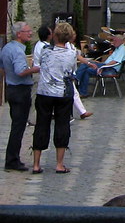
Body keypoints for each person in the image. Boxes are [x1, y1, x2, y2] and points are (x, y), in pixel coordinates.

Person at [32, 22, 78, 173]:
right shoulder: (72, 53)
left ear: (55, 36)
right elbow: (72, 71)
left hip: (45, 92)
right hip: (63, 93)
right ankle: (59, 164)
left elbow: (40, 63)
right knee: (62, 125)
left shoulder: (45, 50)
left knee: (41, 125)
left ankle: (36, 164)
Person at [2, 21, 39, 171]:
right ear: (19, 34)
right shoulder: (17, 51)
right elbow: (20, 71)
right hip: (20, 90)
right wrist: (35, 69)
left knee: (16, 125)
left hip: (11, 88)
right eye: (27, 31)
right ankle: (12, 160)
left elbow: (2, 68)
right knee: (18, 127)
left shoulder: (6, 48)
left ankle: (13, 158)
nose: (30, 33)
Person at [35, 26, 92, 120]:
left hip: (47, 88)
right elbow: (71, 68)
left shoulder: (46, 49)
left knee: (44, 120)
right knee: (62, 119)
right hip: (59, 86)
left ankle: (81, 112)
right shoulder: (46, 48)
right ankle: (79, 112)